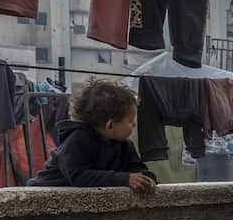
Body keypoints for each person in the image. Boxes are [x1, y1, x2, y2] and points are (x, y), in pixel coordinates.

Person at [29, 79, 157, 192]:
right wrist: (124, 179)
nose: (134, 124)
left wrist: (147, 178)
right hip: (46, 192)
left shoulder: (125, 145)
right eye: (130, 120)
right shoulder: (77, 139)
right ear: (110, 125)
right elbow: (79, 175)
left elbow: (136, 168)